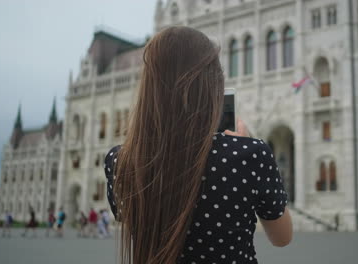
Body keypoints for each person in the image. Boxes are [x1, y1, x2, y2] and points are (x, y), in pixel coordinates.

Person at [103, 26, 292, 264]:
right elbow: (282, 237)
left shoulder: (121, 161)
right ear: (213, 86)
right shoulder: (249, 155)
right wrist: (244, 147)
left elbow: (128, 219)